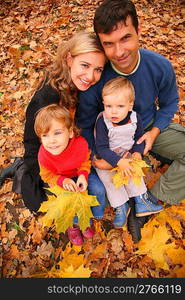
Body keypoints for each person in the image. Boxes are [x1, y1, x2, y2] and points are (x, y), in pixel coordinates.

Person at [75, 0, 185, 239]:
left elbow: (169, 104)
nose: (119, 52)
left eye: (125, 38)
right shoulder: (97, 75)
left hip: (147, 128)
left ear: (139, 31)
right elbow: (85, 123)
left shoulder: (159, 66)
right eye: (109, 44)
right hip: (111, 137)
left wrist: (154, 132)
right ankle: (125, 201)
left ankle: (149, 200)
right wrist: (97, 155)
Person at [1, 31, 107, 217]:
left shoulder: (85, 86)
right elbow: (32, 142)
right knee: (40, 204)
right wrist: (41, 176)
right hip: (48, 153)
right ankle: (19, 167)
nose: (90, 76)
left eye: (98, 69)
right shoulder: (47, 97)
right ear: (69, 59)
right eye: (85, 65)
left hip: (72, 150)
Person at [95, 77, 163, 228]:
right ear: (103, 104)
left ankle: (141, 201)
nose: (113, 111)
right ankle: (121, 206)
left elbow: (139, 137)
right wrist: (118, 162)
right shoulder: (102, 122)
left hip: (128, 154)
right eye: (108, 106)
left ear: (130, 105)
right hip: (108, 159)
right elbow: (101, 148)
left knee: (134, 173)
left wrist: (138, 153)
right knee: (110, 181)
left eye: (120, 106)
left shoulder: (135, 118)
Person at [34, 104, 95, 245]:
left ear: (71, 132)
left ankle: (85, 221)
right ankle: (72, 226)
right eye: (45, 135)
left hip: (78, 175)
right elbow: (47, 176)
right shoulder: (43, 156)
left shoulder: (80, 144)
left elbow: (85, 161)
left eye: (57, 133)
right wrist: (62, 181)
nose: (52, 140)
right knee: (67, 203)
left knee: (92, 191)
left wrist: (83, 175)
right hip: (59, 180)